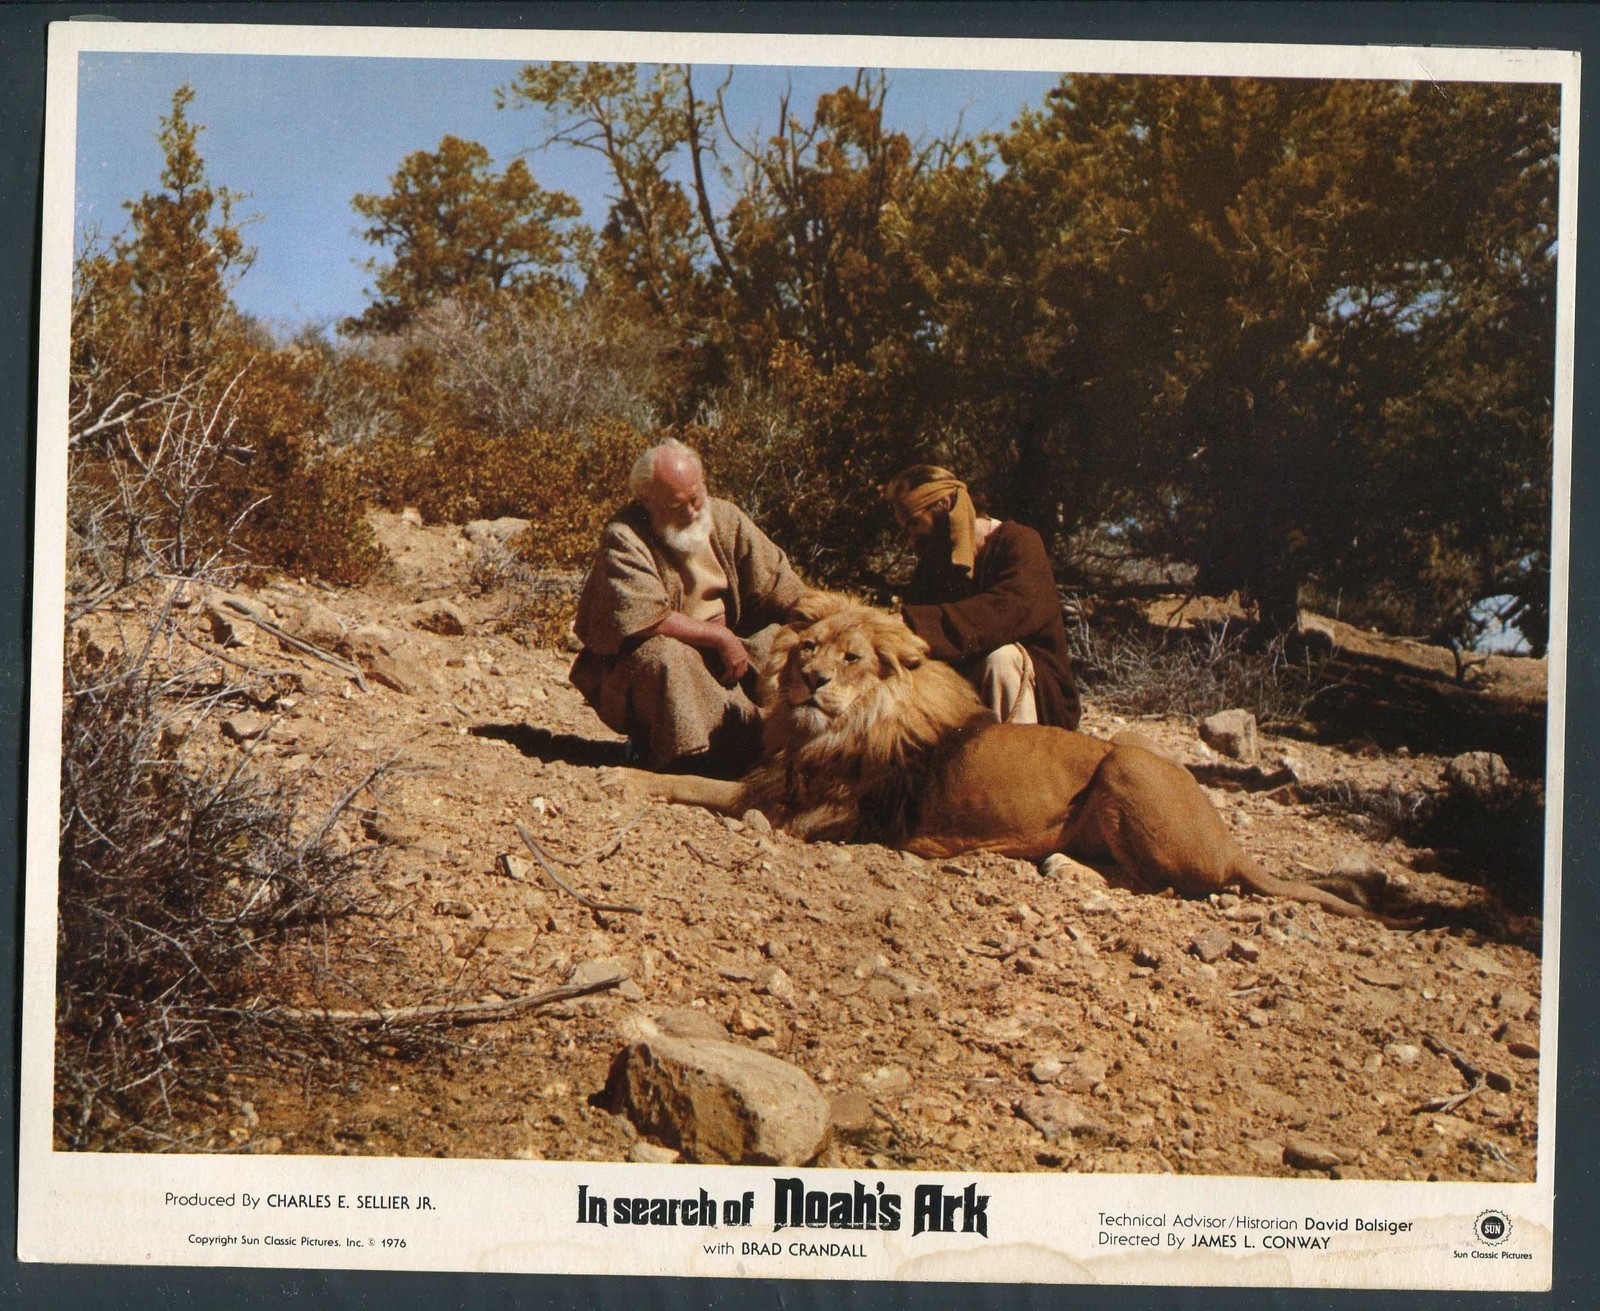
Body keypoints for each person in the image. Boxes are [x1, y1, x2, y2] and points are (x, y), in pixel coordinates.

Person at [570, 438, 805, 773]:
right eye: (678, 507)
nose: (693, 513)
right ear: (649, 502)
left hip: (732, 647)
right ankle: (687, 759)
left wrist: (829, 622)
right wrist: (719, 639)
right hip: (664, 657)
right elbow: (646, 618)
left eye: (697, 499)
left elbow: (782, 586)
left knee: (781, 639)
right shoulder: (624, 536)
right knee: (666, 657)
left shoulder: (725, 518)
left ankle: (769, 744)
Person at [882, 463, 1081, 729]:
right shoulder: (932, 567)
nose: (911, 538)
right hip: (964, 685)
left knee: (1001, 660)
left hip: (1039, 691)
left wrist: (915, 623)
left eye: (915, 522)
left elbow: (1011, 609)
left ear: (943, 504)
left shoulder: (1019, 541)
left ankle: (1016, 765)